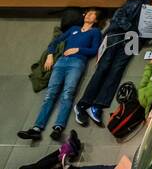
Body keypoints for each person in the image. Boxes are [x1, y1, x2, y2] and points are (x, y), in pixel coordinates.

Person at [74, 0, 152, 128]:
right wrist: (130, 29)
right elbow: (118, 16)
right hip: (118, 35)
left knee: (117, 70)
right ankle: (83, 103)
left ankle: (98, 105)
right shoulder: (135, 3)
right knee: (104, 67)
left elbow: (149, 34)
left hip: (133, 41)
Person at [18, 11, 103, 142]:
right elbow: (55, 42)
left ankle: (58, 127)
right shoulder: (74, 29)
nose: (88, 15)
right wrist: (50, 55)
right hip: (61, 61)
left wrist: (78, 50)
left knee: (68, 93)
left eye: (92, 14)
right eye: (87, 13)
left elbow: (95, 49)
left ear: (96, 20)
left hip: (77, 62)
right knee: (50, 94)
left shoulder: (95, 32)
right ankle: (36, 128)